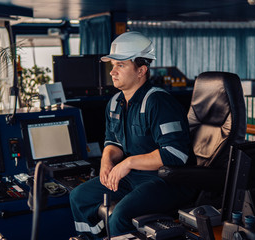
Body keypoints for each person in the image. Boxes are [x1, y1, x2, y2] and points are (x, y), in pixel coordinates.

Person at [69, 31, 196, 239]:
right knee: (79, 197)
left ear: (141, 70)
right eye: (112, 65)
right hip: (133, 176)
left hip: (167, 180)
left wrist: (127, 164)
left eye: (121, 65)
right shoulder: (114, 103)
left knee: (121, 215)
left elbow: (175, 154)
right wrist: (106, 161)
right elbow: (113, 141)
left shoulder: (159, 103)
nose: (112, 72)